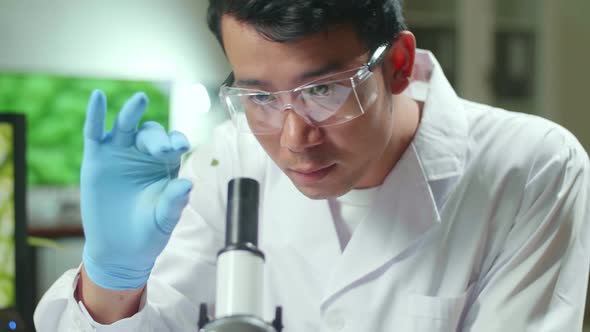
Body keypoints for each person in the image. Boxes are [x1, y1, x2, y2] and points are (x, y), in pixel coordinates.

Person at [34, 1, 590, 331]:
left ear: (396, 65)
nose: (295, 136)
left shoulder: (533, 167)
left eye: (323, 89)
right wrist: (111, 281)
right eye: (258, 95)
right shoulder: (227, 160)